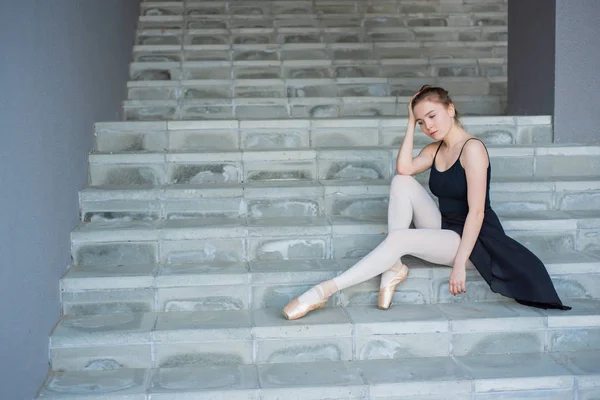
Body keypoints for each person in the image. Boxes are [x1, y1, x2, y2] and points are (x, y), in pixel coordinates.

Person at [282, 85, 570, 320]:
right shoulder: (435, 149)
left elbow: (478, 212)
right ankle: (392, 266)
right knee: (401, 182)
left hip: (475, 242)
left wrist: (459, 265)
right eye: (421, 121)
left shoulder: (473, 149)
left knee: (400, 237)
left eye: (432, 116)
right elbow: (404, 168)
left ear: (451, 109)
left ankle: (322, 292)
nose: (427, 126)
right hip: (445, 228)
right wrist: (409, 122)